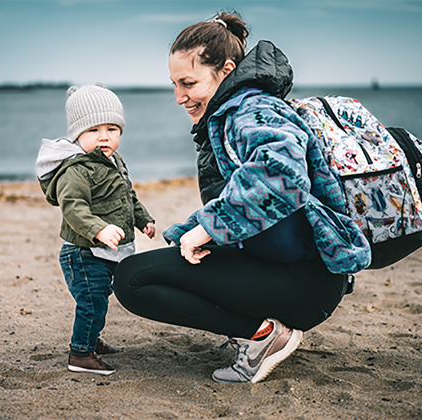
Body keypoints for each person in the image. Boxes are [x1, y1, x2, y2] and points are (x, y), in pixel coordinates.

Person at [113, 12, 370, 383]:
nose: (179, 96)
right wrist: (191, 231)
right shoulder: (232, 112)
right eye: (174, 84)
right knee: (137, 273)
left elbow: (283, 176)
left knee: (133, 281)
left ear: (226, 70)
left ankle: (263, 337)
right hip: (292, 272)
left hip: (305, 282)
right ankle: (259, 330)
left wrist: (207, 228)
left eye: (188, 82)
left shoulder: (251, 109)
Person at [36, 83, 156, 375]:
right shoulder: (77, 168)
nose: (104, 137)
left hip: (106, 251)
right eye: (93, 131)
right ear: (77, 135)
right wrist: (99, 230)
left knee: (98, 300)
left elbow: (128, 196)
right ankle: (80, 355)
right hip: (84, 251)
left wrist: (144, 220)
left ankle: (90, 340)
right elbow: (73, 206)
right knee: (91, 302)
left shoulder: (115, 161)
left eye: (112, 129)